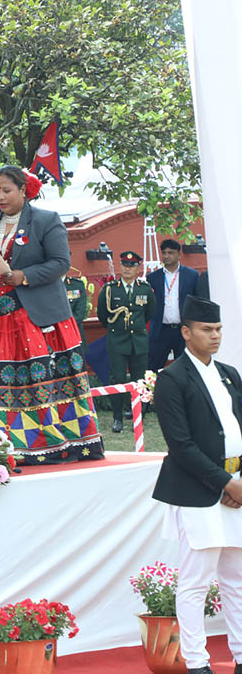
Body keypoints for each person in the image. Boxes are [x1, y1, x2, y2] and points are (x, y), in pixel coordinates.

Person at [0, 165, 103, 464]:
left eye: (6, 191)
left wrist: (23, 275)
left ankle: (52, 445)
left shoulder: (45, 220)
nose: (0, 196)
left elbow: (60, 263)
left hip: (36, 315)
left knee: (38, 379)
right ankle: (0, 444)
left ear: (23, 191)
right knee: (0, 383)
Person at [151, 296, 242, 674]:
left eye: (218, 329)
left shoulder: (230, 373)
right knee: (195, 582)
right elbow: (180, 445)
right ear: (186, 333)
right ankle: (198, 663)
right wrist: (225, 482)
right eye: (207, 330)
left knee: (237, 581)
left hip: (236, 487)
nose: (215, 336)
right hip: (198, 491)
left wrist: (237, 482)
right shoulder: (171, 379)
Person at [97, 250, 156, 434]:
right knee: (118, 380)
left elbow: (150, 312)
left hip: (138, 341)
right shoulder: (110, 289)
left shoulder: (144, 289)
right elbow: (103, 315)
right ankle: (117, 418)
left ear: (138, 268)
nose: (127, 269)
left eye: (131, 266)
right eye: (124, 265)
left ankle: (139, 416)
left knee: (140, 381)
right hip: (117, 341)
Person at [148, 239, 202, 372]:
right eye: (164, 252)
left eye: (170, 253)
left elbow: (198, 301)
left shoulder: (192, 275)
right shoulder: (153, 278)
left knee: (186, 368)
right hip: (161, 330)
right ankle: (154, 392)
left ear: (179, 254)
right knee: (153, 368)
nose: (166, 256)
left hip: (183, 330)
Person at [65, 266, 89, 354]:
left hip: (74, 335)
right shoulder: (46, 287)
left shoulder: (76, 285)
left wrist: (64, 327)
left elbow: (80, 313)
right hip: (53, 337)